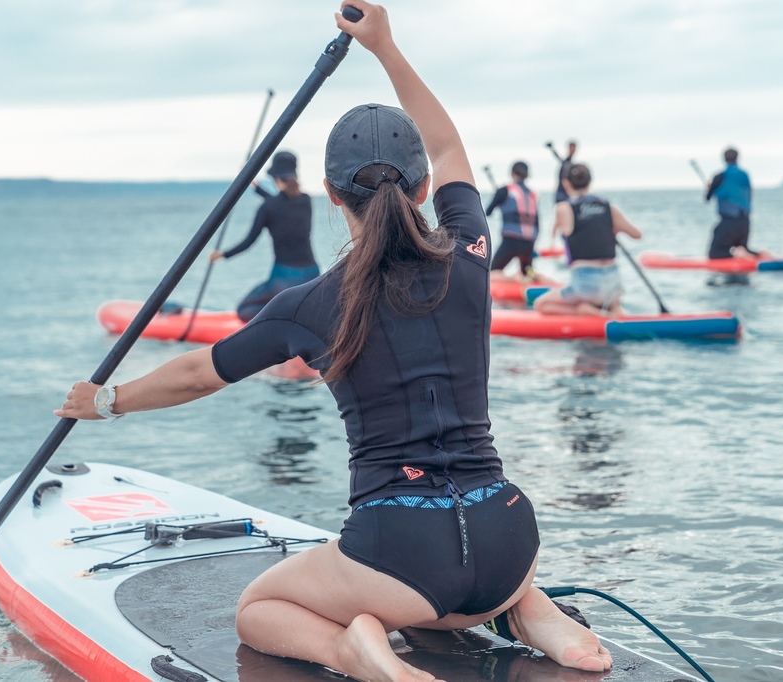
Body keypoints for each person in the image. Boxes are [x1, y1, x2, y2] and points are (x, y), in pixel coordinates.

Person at [55, 4, 612, 682]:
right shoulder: (469, 253)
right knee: (476, 572)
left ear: (329, 193)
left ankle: (355, 650)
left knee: (259, 607)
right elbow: (447, 146)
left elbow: (202, 373)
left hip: (401, 555)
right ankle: (527, 609)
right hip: (510, 534)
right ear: (426, 189)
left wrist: (106, 400)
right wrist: (386, 47)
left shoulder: (311, 305)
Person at [209, 150, 320, 322]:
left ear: (275, 179)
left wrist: (222, 255)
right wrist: (253, 185)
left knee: (244, 310)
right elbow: (280, 202)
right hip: (312, 275)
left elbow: (249, 241)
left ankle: (284, 319)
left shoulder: (268, 208)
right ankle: (294, 312)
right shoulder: (306, 200)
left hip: (284, 279)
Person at [535, 163, 642, 317]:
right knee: (614, 306)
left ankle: (584, 310)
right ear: (590, 181)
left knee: (542, 304)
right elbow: (637, 234)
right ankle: (612, 310)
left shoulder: (563, 208)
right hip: (614, 285)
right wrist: (613, 228)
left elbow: (563, 231)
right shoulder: (608, 207)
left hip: (586, 286)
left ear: (566, 183)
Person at [705, 147, 767, 259]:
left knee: (715, 253)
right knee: (742, 246)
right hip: (745, 222)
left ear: (724, 159)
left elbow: (708, 198)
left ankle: (739, 255)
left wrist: (711, 188)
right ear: (738, 158)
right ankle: (758, 255)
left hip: (729, 222)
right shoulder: (745, 175)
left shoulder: (720, 176)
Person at [484, 161, 539, 280]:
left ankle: (512, 280)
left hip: (511, 241)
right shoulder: (533, 194)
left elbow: (488, 212)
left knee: (492, 272)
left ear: (512, 174)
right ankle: (527, 281)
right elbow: (536, 222)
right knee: (527, 273)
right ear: (527, 175)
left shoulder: (504, 191)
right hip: (529, 243)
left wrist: (498, 199)